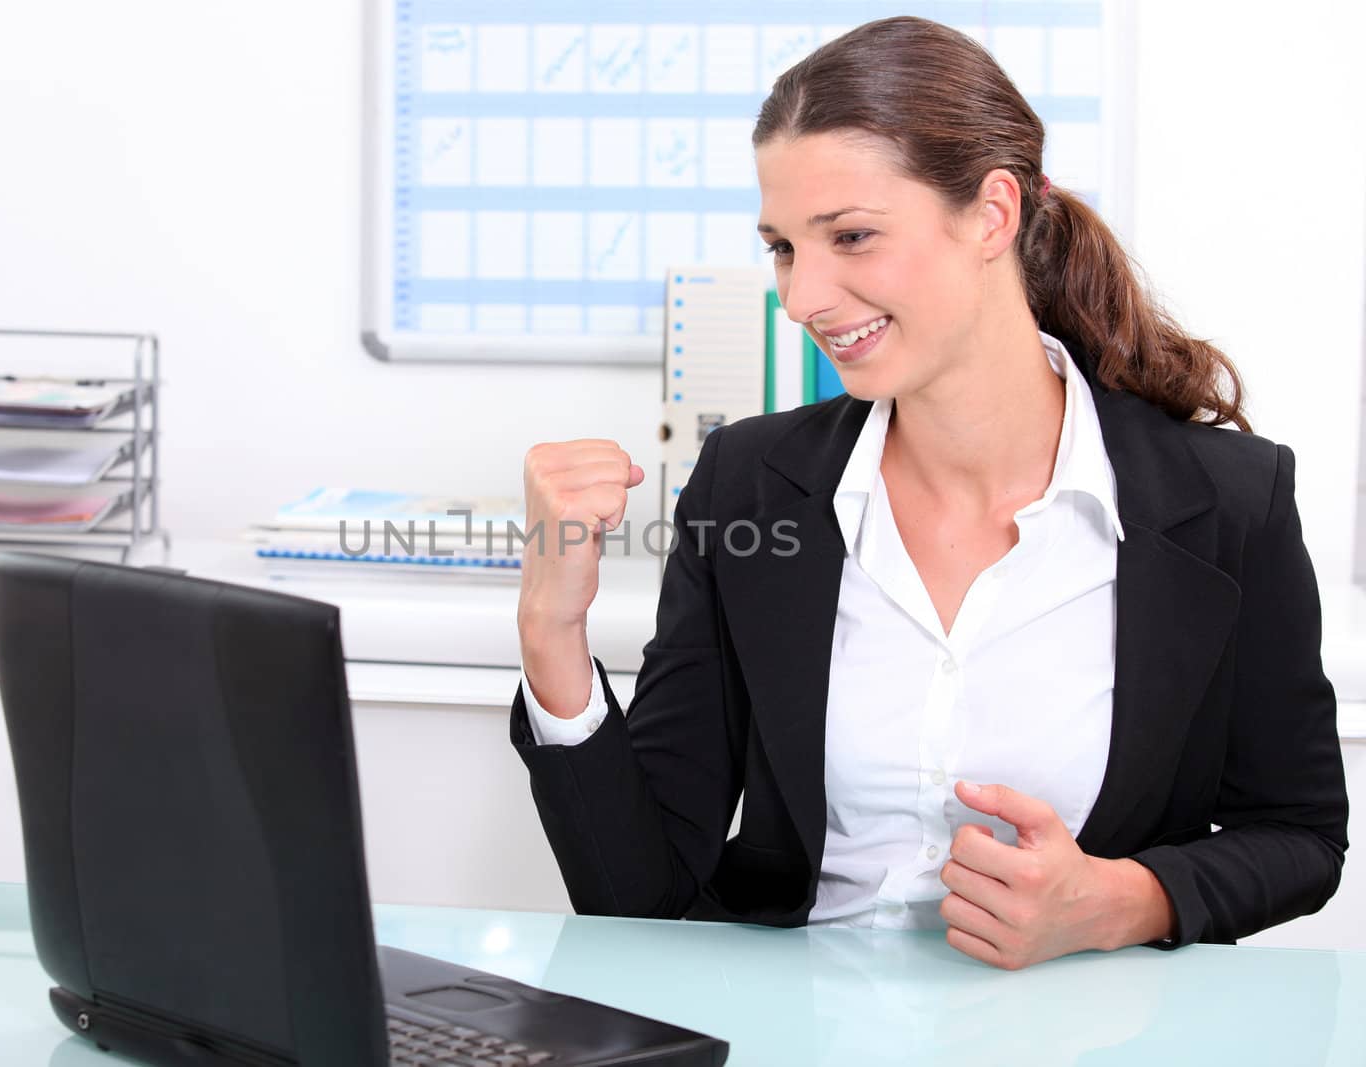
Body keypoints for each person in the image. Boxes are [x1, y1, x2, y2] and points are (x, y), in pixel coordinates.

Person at [510, 16, 1347, 971]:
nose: (804, 295)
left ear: (992, 215)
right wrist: (552, 634)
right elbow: (641, 897)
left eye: (853, 236)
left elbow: (1301, 835)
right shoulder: (748, 485)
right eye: (784, 247)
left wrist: (1121, 900)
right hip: (802, 1032)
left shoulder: (1225, 500)